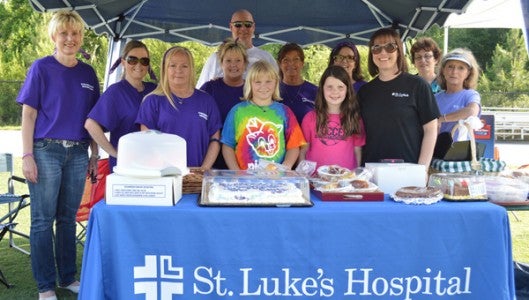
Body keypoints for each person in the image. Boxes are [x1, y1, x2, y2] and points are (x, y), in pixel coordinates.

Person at [16, 10, 100, 300]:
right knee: (42, 220)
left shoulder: (88, 73)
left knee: (67, 218)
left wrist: (94, 154)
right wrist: (27, 155)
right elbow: (28, 114)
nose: (70, 38)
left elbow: (93, 120)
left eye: (75, 33)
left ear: (81, 37)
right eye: (64, 33)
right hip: (45, 151)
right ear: (54, 36)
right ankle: (45, 285)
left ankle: (67, 277)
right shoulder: (41, 68)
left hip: (78, 153)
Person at [357, 28, 440, 168]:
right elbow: (358, 135)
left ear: (399, 51)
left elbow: (431, 129)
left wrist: (423, 169)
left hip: (408, 170)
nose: (383, 52)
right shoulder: (365, 91)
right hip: (371, 171)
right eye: (376, 48)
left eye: (390, 47)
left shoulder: (418, 85)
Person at [136, 46, 222, 169]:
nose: (178, 70)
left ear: (191, 69)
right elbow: (147, 143)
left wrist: (203, 170)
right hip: (163, 178)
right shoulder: (152, 101)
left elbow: (215, 139)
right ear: (165, 69)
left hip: (197, 180)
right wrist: (168, 171)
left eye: (184, 66)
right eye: (173, 65)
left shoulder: (206, 100)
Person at [85, 40, 157, 172]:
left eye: (144, 61)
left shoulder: (154, 90)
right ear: (123, 62)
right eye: (133, 60)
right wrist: (114, 153)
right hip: (125, 167)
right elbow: (91, 124)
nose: (138, 65)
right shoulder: (116, 92)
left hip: (153, 165)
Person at [221, 60, 306, 170]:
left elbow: (294, 145)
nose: (263, 86)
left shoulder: (285, 112)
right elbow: (227, 145)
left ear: (276, 82)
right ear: (250, 83)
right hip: (245, 180)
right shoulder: (238, 111)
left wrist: (285, 167)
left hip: (276, 179)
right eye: (258, 82)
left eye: (268, 81)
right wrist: (235, 172)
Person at [300, 65, 365, 169]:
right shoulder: (309, 118)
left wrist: (354, 177)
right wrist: (304, 177)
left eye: (340, 87)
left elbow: (357, 151)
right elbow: (303, 150)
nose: (335, 92)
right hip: (315, 181)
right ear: (322, 89)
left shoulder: (354, 119)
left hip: (345, 181)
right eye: (330, 87)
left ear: (348, 90)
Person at [196, 9, 277, 88]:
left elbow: (276, 89)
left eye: (248, 24)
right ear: (231, 27)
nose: (243, 28)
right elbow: (201, 93)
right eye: (238, 24)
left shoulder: (266, 58)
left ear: (253, 27)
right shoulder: (215, 58)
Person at [200, 38, 248, 169]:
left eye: (238, 60)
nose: (233, 65)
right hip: (211, 158)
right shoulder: (209, 88)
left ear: (245, 64)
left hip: (243, 160)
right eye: (228, 60)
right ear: (221, 63)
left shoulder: (253, 89)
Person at [436, 48, 481, 136]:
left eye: (461, 68)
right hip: (438, 148)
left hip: (461, 149)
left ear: (468, 73)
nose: (454, 72)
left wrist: (442, 118)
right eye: (450, 66)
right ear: (443, 70)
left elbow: (471, 111)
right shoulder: (434, 98)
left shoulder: (470, 95)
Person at [277, 42, 317, 124]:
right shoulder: (272, 91)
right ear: (279, 64)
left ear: (302, 63)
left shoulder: (315, 91)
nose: (291, 64)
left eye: (296, 59)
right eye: (286, 60)